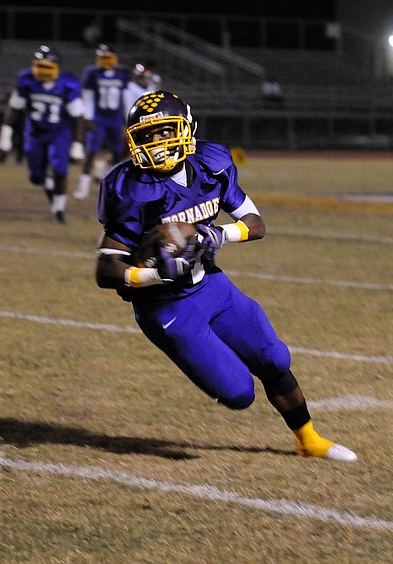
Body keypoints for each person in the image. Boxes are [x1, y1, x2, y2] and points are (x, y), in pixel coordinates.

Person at [94, 90, 357, 462]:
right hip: (166, 308)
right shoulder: (131, 187)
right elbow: (106, 268)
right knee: (239, 393)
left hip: (212, 285)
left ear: (186, 128)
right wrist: (154, 275)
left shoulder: (211, 164)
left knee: (274, 358)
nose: (157, 143)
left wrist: (219, 233)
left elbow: (256, 223)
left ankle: (309, 440)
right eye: (147, 136)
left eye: (165, 131)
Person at [0, 45, 84, 224]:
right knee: (36, 177)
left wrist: (77, 144)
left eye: (46, 67)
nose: (42, 72)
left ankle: (58, 210)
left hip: (59, 133)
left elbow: (78, 117)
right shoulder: (26, 80)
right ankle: (50, 188)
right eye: (39, 66)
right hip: (34, 133)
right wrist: (5, 135)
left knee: (60, 171)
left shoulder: (67, 83)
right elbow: (14, 108)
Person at [74, 43, 130, 201]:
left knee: (117, 153)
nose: (104, 61)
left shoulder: (122, 74)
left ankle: (118, 188)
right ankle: (83, 187)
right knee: (91, 152)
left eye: (107, 57)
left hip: (115, 118)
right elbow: (88, 96)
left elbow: (126, 97)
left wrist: (128, 117)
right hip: (99, 117)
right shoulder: (92, 73)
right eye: (102, 57)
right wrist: (88, 117)